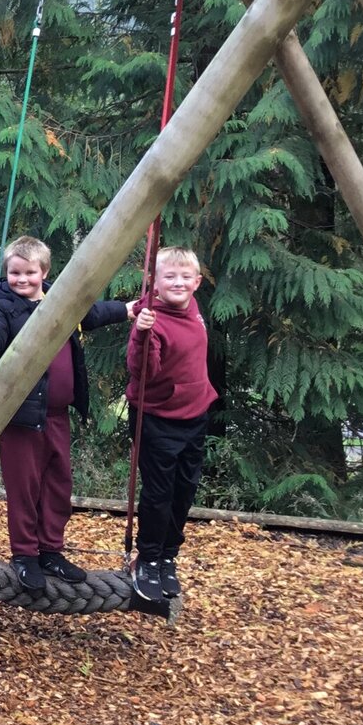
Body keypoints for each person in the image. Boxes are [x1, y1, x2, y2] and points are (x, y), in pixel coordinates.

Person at [0, 235, 135, 592]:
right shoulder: (2, 306)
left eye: (29, 273)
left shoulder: (59, 297)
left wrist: (125, 310)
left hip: (56, 413)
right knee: (25, 485)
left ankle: (51, 549)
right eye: (14, 273)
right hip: (21, 415)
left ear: (43, 271)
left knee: (58, 483)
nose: (21, 280)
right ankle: (24, 554)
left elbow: (90, 312)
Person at [127, 247, 218, 601]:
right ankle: (148, 558)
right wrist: (141, 335)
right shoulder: (151, 318)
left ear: (196, 282)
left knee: (185, 490)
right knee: (159, 492)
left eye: (185, 277)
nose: (177, 283)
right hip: (158, 416)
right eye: (169, 277)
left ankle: (168, 555)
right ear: (156, 282)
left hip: (195, 413)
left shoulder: (194, 310)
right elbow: (143, 373)